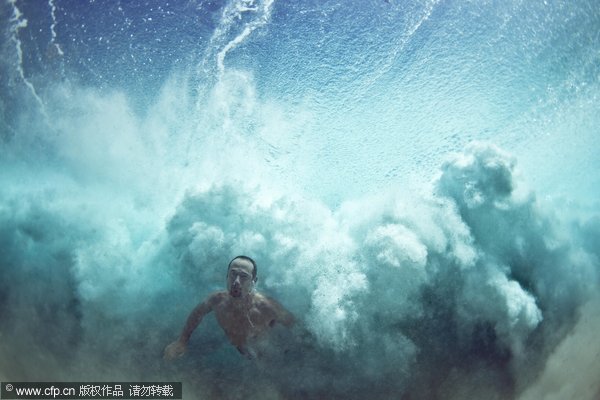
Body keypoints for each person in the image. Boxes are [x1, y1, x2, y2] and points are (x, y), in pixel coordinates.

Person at [163, 256, 295, 360]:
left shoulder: (266, 306)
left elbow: (295, 326)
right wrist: (182, 341)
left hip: (269, 356)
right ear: (227, 276)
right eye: (233, 274)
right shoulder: (216, 300)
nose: (236, 281)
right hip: (241, 353)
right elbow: (197, 313)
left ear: (254, 281)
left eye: (243, 276)